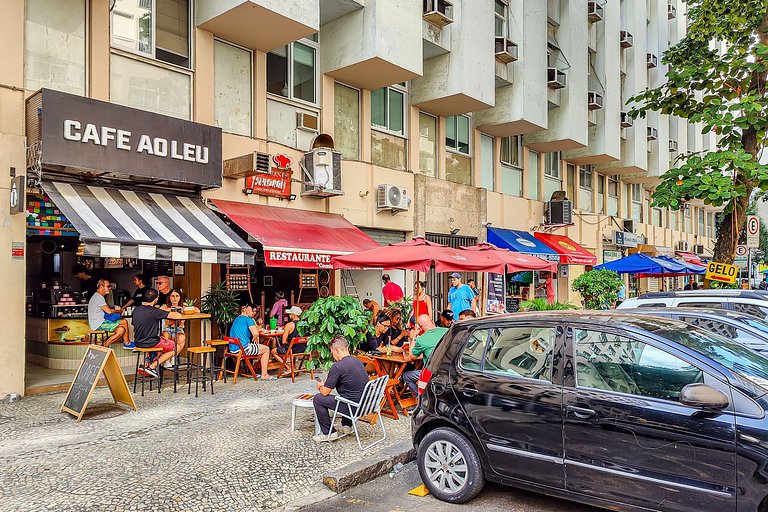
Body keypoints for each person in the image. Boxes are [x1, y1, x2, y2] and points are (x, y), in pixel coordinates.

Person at [312, 336, 369, 442]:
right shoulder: (357, 361)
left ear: (336, 351)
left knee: (318, 399)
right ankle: (347, 426)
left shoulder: (338, 366)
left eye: (332, 352)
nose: (332, 355)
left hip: (354, 408)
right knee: (348, 393)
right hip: (366, 405)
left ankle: (329, 433)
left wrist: (320, 386)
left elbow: (325, 392)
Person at [133, 288, 183, 378]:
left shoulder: (136, 310)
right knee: (177, 347)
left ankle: (150, 362)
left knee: (163, 339)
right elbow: (178, 316)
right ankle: (152, 367)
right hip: (152, 342)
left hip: (138, 342)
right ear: (156, 299)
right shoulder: (155, 311)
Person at [402, 314, 449, 396]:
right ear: (432, 321)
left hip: (432, 373)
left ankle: (421, 398)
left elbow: (412, 356)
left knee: (406, 376)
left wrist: (414, 336)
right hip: (449, 370)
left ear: (420, 327)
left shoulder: (421, 339)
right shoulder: (447, 331)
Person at [229, 303, 274, 380]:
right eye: (253, 311)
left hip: (233, 349)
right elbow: (255, 333)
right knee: (266, 349)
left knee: (257, 346)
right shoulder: (248, 319)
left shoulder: (237, 319)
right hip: (243, 349)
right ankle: (264, 374)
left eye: (255, 311)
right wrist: (255, 336)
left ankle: (255, 368)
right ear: (247, 310)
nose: (254, 313)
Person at [87, 279, 130, 347]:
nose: (109, 288)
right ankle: (127, 343)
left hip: (98, 323)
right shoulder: (99, 297)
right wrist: (119, 311)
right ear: (101, 287)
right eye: (108, 286)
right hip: (99, 324)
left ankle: (105, 345)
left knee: (121, 330)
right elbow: (109, 311)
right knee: (124, 322)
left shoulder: (96, 296)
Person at [160, 289, 197, 362]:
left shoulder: (184, 306)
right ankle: (166, 359)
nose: (174, 298)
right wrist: (171, 310)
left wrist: (185, 309)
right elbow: (159, 311)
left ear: (180, 297)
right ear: (169, 297)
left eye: (177, 296)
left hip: (178, 329)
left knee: (181, 338)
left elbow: (197, 310)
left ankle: (173, 356)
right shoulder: (165, 306)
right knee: (165, 337)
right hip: (167, 329)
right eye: (172, 296)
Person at [272, 306, 306, 371]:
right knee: (291, 346)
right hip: (303, 349)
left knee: (273, 351)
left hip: (292, 350)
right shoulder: (304, 324)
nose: (289, 315)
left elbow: (283, 341)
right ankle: (293, 367)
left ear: (294, 315)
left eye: (290, 314)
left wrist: (288, 343)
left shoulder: (289, 325)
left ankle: (288, 367)